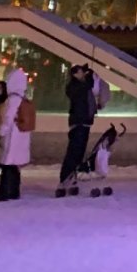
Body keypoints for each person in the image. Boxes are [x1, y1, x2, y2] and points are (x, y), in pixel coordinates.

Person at [0, 66, 32, 202]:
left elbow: (7, 118)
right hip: (21, 134)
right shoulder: (24, 98)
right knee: (14, 166)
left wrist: (1, 133)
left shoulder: (12, 99)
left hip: (12, 135)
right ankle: (14, 191)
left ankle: (4, 192)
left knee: (7, 164)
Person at [58, 63, 99, 194]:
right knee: (73, 152)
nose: (83, 74)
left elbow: (90, 87)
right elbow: (86, 86)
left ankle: (72, 178)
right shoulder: (74, 86)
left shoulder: (82, 85)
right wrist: (90, 76)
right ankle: (65, 178)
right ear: (75, 74)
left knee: (79, 153)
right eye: (81, 72)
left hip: (85, 123)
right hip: (78, 123)